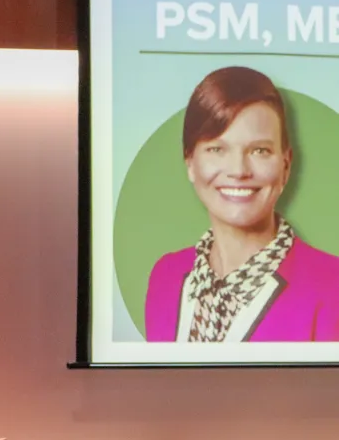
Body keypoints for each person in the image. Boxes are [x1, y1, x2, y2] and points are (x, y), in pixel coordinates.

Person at [145, 66, 339, 342]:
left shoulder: (333, 287)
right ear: (190, 162)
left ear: (286, 164)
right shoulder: (166, 276)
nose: (238, 170)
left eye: (259, 150)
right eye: (216, 149)